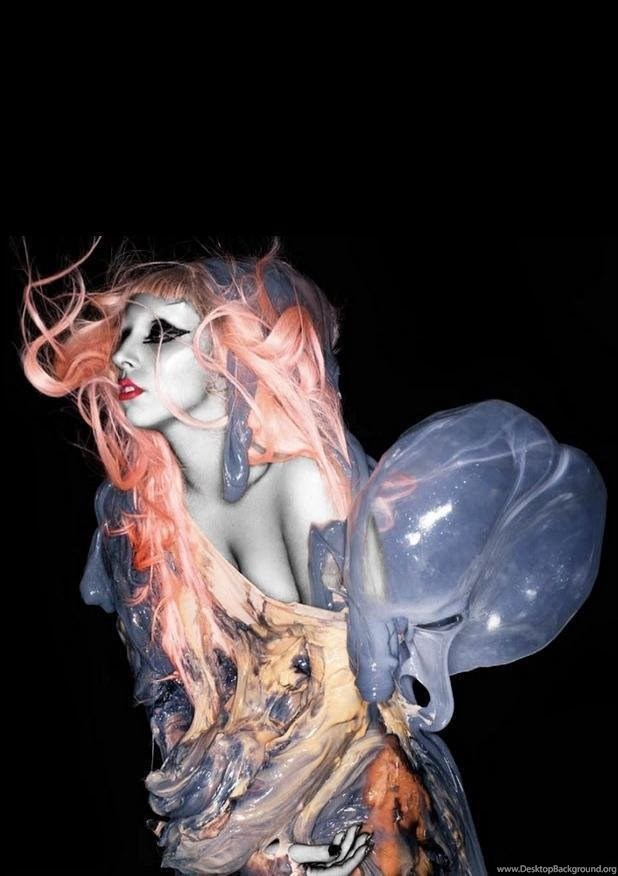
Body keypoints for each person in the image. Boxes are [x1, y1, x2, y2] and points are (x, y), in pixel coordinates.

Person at [19, 239, 606, 874]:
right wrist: (234, 832)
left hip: (358, 800)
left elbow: (366, 695)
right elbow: (170, 707)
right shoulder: (137, 518)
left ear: (227, 356)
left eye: (162, 332)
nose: (123, 356)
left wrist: (327, 835)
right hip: (221, 812)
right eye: (126, 334)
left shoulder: (303, 484)